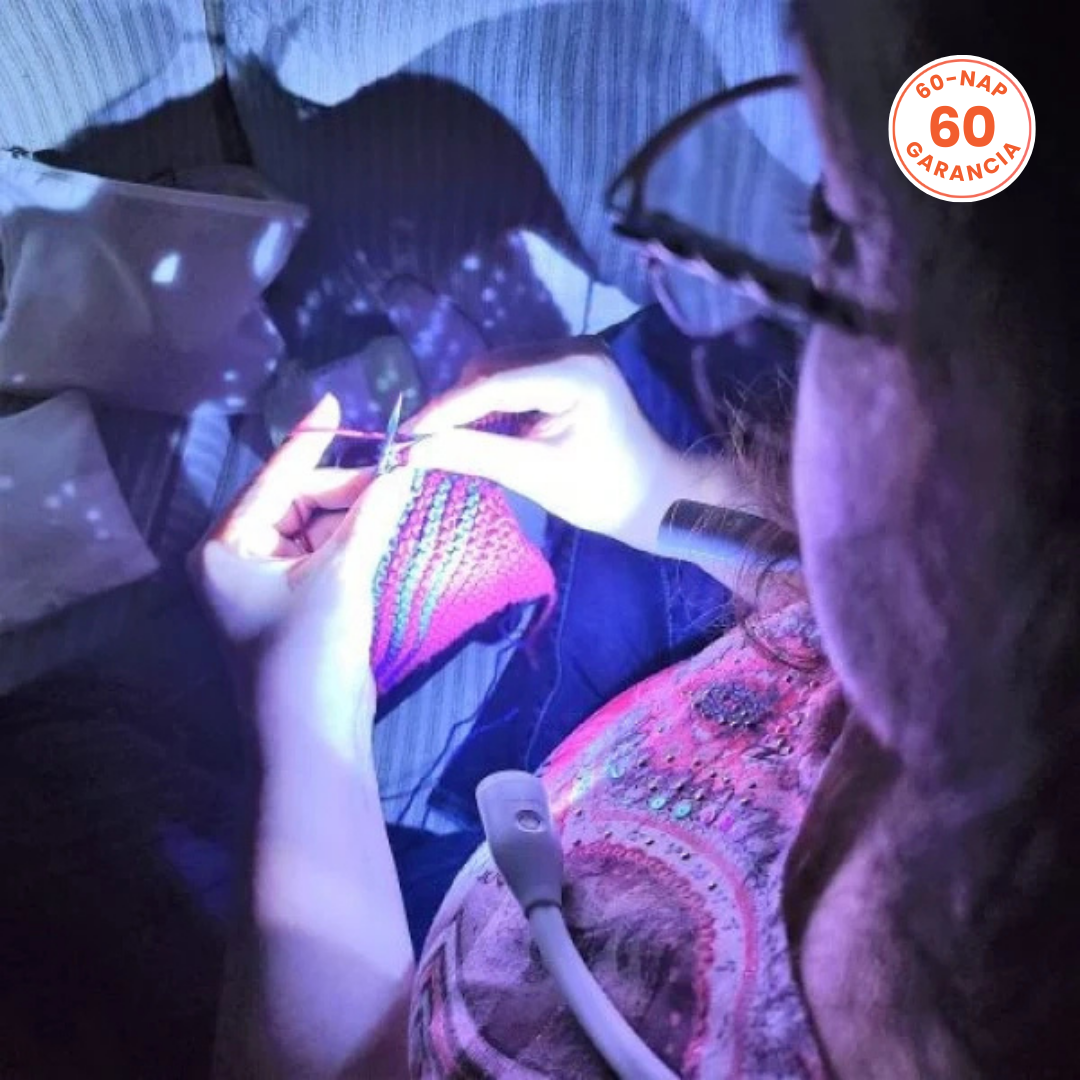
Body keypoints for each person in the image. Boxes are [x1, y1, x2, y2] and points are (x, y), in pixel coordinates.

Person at [195, 3, 1077, 1078]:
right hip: (579, 804)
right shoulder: (997, 668)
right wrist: (657, 493)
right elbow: (836, 578)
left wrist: (299, 713)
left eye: (841, 261)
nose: (794, 288)